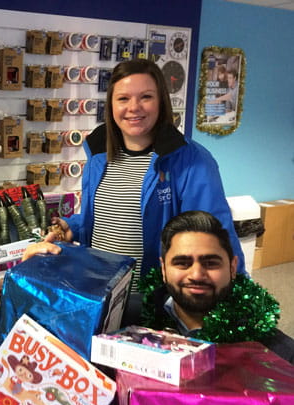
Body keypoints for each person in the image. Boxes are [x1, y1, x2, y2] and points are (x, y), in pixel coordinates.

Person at [27, 58, 245, 288]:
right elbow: (110, 217)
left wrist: (237, 298)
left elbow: (217, 236)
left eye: (146, 97)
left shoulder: (191, 160)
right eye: (123, 98)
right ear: (111, 105)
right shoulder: (99, 155)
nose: (133, 107)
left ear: (161, 101)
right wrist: (73, 227)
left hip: (152, 298)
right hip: (100, 292)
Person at [139, 210, 294, 364]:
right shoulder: (130, 322)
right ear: (164, 269)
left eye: (211, 263)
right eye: (182, 263)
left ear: (233, 268)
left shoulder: (280, 356)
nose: (197, 275)